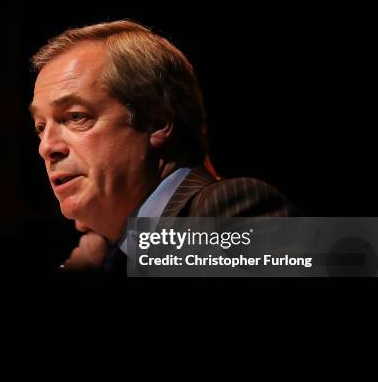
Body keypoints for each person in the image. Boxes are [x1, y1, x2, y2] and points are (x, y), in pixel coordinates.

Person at [28, 20, 299, 274]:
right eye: (41, 127)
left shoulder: (225, 211)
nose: (46, 147)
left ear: (157, 124)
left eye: (76, 116)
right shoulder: (118, 256)